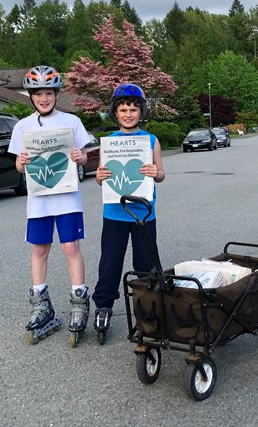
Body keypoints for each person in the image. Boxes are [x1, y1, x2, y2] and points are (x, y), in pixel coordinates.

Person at [9, 65, 92, 344]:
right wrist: (20, 164)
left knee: (70, 247)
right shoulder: (23, 126)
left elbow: (84, 155)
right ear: (30, 96)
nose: (44, 99)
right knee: (40, 249)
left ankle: (79, 301)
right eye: (38, 94)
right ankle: (40, 303)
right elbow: (19, 166)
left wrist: (80, 157)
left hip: (67, 197)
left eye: (48, 93)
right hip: (39, 200)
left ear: (56, 94)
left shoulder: (71, 121)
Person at [92, 83, 165, 342]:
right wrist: (100, 177)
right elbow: (102, 177)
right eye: (123, 109)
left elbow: (161, 174)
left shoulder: (150, 141)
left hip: (144, 214)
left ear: (141, 111)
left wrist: (156, 173)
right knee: (110, 262)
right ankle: (104, 306)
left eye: (133, 109)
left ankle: (150, 307)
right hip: (115, 213)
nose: (128, 114)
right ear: (115, 112)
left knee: (146, 263)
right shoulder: (109, 143)